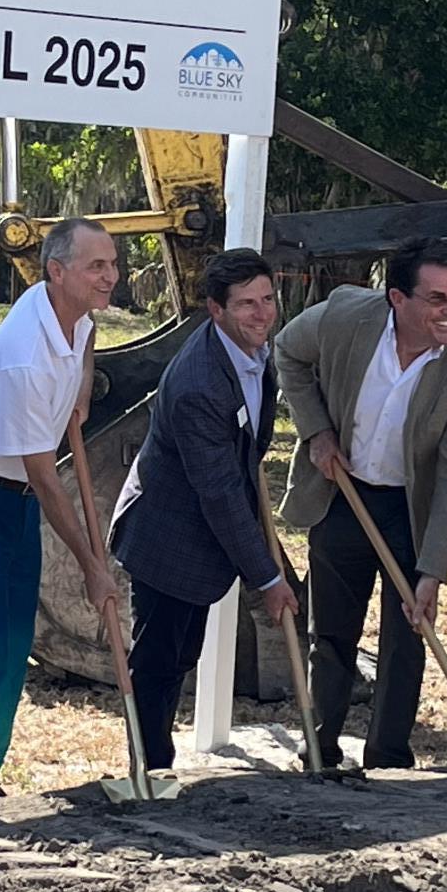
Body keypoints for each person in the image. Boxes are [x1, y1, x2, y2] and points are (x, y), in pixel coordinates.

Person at [274, 236, 447, 768]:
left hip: (409, 507)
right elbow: (288, 352)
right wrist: (317, 432)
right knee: (330, 631)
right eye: (437, 299)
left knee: (408, 632)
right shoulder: (346, 316)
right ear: (397, 299)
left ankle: (388, 755)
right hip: (343, 493)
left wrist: (433, 571)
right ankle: (319, 746)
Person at [0, 217, 120, 806]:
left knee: (15, 643)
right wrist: (92, 564)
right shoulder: (23, 359)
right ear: (55, 272)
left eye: (113, 264)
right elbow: (45, 476)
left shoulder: (73, 313)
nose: (110, 277)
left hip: (14, 499)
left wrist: (82, 389)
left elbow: (86, 336)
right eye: (97, 266)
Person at [109, 250, 299, 769]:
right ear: (216, 310)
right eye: (246, 305)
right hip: (167, 539)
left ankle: (155, 765)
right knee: (160, 663)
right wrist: (267, 578)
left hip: (201, 537)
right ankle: (149, 771)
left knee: (180, 656)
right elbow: (218, 494)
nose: (262, 314)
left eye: (266, 300)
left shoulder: (253, 353)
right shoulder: (199, 385)